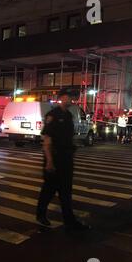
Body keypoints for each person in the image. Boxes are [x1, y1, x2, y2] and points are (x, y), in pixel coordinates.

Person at [37, 89, 90, 232]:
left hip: (66, 159)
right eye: (69, 97)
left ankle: (69, 221)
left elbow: (68, 137)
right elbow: (47, 140)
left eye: (72, 97)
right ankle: (40, 214)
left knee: (66, 191)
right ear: (61, 98)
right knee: (49, 190)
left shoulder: (68, 115)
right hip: (54, 159)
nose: (72, 99)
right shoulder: (52, 115)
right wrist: (49, 161)